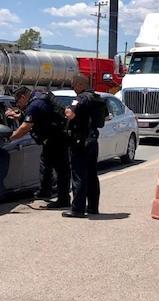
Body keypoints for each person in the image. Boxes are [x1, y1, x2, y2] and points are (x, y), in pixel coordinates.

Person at [8, 87, 71, 209]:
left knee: (61, 170)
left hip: (57, 139)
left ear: (23, 97)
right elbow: (38, 117)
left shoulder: (35, 104)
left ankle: (63, 199)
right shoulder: (39, 96)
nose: (18, 105)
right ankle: (45, 191)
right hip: (55, 137)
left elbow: (25, 127)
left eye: (18, 102)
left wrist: (10, 137)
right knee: (46, 164)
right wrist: (20, 117)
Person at [62, 75, 106, 218]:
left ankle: (77, 209)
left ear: (81, 84)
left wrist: (66, 110)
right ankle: (93, 207)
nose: (73, 89)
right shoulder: (97, 98)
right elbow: (104, 117)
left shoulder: (80, 98)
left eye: (74, 85)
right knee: (92, 175)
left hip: (80, 141)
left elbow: (70, 114)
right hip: (93, 140)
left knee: (78, 175)